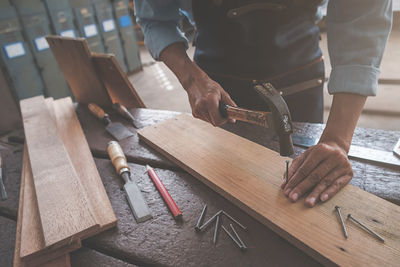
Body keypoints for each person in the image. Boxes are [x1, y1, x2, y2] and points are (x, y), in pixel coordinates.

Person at [134, 0, 393, 207]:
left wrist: (337, 138)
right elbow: (154, 19)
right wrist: (192, 80)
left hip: (300, 74)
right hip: (217, 81)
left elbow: (363, 15)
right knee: (221, 194)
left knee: (296, 199)